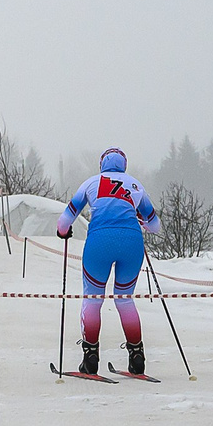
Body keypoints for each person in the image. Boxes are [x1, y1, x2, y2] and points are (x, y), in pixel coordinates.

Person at [56, 149, 160, 376]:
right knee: (124, 299)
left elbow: (65, 220)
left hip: (99, 243)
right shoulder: (135, 185)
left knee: (93, 299)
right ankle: (137, 356)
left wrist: (63, 232)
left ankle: (90, 357)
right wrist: (140, 221)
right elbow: (155, 226)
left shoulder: (91, 183)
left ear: (101, 164)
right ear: (124, 165)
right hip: (131, 243)